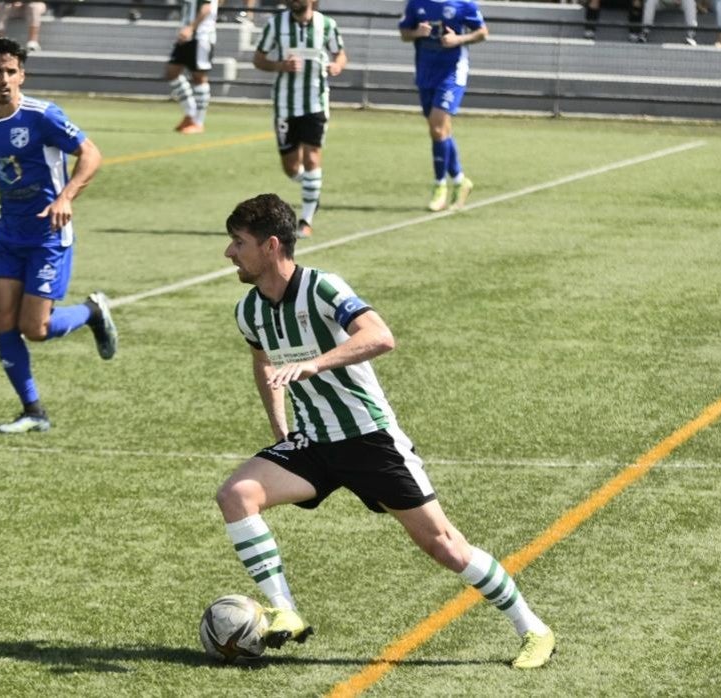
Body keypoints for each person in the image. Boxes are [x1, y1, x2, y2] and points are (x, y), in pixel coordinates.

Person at [216, 193, 556, 669]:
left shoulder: (323, 288)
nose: (230, 253)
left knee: (445, 546)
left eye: (238, 242)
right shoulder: (249, 311)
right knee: (236, 494)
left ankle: (533, 628)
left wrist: (314, 365)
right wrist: (281, 429)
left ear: (271, 246)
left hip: (369, 441)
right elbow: (263, 364)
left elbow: (380, 336)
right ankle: (285, 610)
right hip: (314, 443)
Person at [0, 37, 118, 434]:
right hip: (8, 236)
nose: (5, 79)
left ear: (22, 75)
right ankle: (33, 410)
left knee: (35, 329)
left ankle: (92, 312)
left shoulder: (43, 116)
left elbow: (91, 154)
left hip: (49, 236)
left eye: (12, 71)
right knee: (1, 315)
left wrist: (66, 196)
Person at [253, 0, 347, 239]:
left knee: (313, 155)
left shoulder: (327, 25)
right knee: (291, 167)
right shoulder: (276, 24)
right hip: (285, 104)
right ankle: (312, 190)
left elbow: (341, 55)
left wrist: (337, 66)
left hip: (316, 102)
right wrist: (279, 65)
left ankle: (306, 220)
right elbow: (258, 58)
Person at [398, 0, 487, 212]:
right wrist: (417, 32)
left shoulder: (463, 4)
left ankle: (440, 186)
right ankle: (460, 180)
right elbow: (404, 33)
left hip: (452, 72)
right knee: (441, 130)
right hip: (426, 73)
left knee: (437, 127)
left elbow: (482, 32)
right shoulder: (416, 3)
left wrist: (459, 39)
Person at [165, 0, 219, 134]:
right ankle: (190, 114)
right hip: (187, 36)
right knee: (172, 72)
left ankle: (198, 122)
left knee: (199, 77)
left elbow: (206, 7)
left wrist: (191, 27)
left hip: (201, 36)